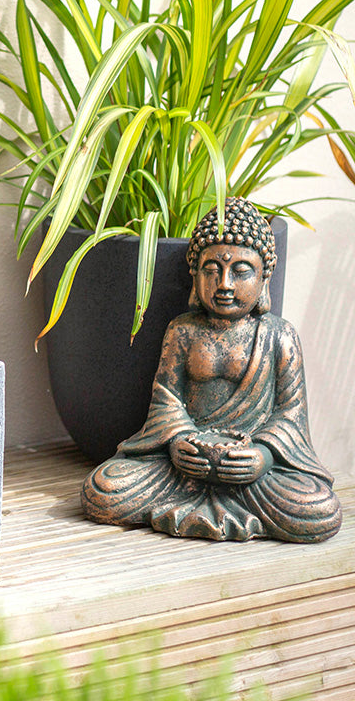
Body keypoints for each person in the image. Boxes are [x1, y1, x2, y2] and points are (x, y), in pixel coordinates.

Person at [81, 198, 342, 542]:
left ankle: (229, 498)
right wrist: (177, 442)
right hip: (185, 467)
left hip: (251, 475)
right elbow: (166, 400)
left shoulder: (280, 336)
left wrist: (262, 457)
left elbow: (290, 415)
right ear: (195, 274)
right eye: (211, 270)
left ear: (265, 275)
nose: (224, 284)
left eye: (241, 271)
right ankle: (196, 495)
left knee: (318, 509)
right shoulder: (182, 330)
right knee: (103, 489)